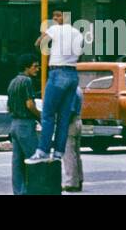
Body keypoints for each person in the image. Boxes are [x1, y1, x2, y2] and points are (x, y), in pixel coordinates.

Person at [28, 9, 84, 162]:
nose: (54, 18)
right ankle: (58, 152)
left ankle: (43, 150)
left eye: (57, 15)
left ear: (65, 17)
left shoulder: (55, 29)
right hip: (73, 74)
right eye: (53, 16)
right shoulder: (78, 34)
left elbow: (39, 43)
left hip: (58, 71)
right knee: (64, 117)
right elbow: (79, 53)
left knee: (48, 114)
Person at [6, 51, 41, 194]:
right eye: (35, 66)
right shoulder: (26, 81)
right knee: (32, 160)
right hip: (25, 125)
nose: (37, 69)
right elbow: (30, 104)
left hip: (14, 124)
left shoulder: (13, 81)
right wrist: (41, 117)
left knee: (17, 163)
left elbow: (9, 106)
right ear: (27, 67)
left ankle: (19, 191)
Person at [62, 85, 84, 192]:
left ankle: (71, 182)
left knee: (69, 154)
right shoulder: (77, 88)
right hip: (78, 120)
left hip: (69, 123)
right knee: (76, 153)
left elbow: (69, 111)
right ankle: (79, 179)